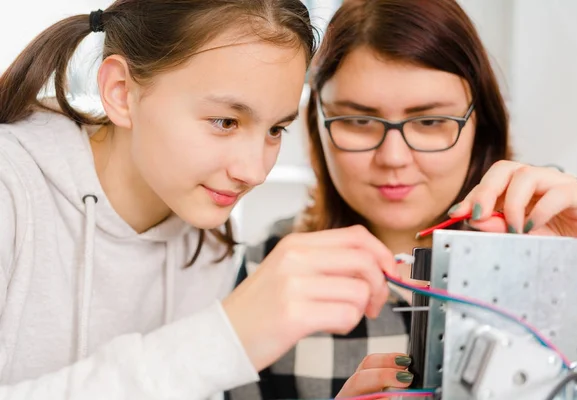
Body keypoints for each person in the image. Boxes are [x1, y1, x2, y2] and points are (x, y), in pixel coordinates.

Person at [0, 1, 409, 399]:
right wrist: (224, 338)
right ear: (121, 92)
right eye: (225, 121)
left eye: (275, 130)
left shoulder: (208, 238)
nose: (254, 172)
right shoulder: (11, 191)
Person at [227, 0, 577, 399]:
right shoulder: (268, 271)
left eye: (429, 122)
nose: (393, 158)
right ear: (317, 126)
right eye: (358, 121)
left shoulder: (574, 243)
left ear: (482, 125)